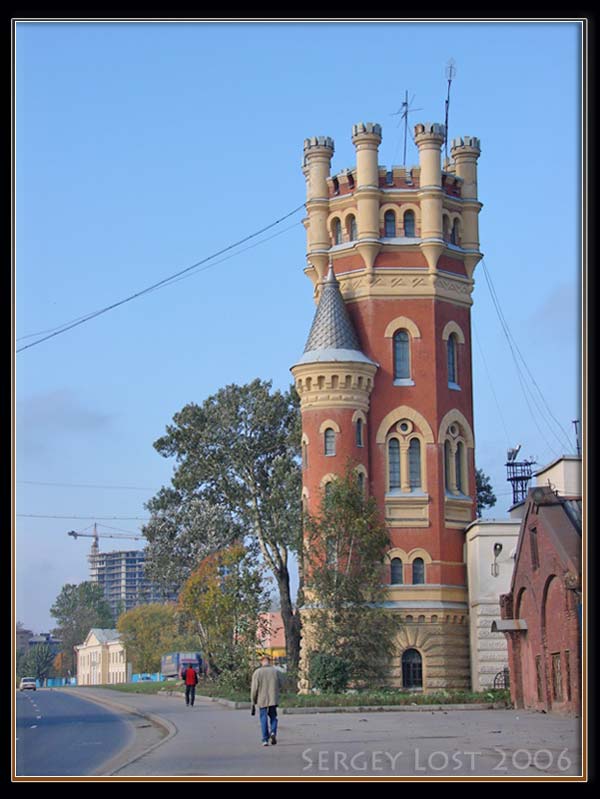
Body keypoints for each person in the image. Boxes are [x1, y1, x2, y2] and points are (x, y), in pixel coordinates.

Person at [250, 655, 283, 746]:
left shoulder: (257, 672)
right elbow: (281, 684)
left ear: (262, 662)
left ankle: (265, 739)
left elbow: (254, 689)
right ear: (270, 662)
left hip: (262, 699)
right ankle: (273, 732)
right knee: (273, 717)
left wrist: (253, 701)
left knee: (263, 718)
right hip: (273, 698)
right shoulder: (275, 672)